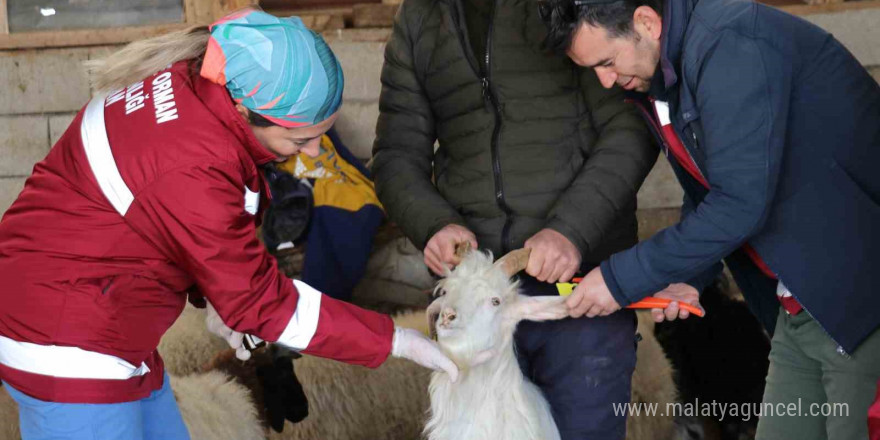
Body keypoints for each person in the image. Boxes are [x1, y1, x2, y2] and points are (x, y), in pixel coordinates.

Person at [0, 9, 456, 440]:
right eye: (301, 139)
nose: (316, 152)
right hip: (69, 343)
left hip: (108, 314)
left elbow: (161, 224)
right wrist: (392, 339)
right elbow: (261, 301)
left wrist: (215, 296)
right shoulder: (195, 163)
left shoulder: (194, 88)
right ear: (244, 110)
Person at [538, 0, 880, 438]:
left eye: (607, 62)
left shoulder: (729, 43)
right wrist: (691, 275)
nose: (605, 81)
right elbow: (709, 190)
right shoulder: (666, 72)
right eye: (593, 69)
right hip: (800, 303)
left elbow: (740, 202)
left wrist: (619, 278)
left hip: (858, 297)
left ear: (646, 21)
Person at [371, 0, 656, 437]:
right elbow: (395, 155)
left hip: (575, 293)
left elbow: (630, 129)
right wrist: (433, 224)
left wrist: (570, 231)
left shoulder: (568, 7)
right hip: (473, 298)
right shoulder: (418, 19)